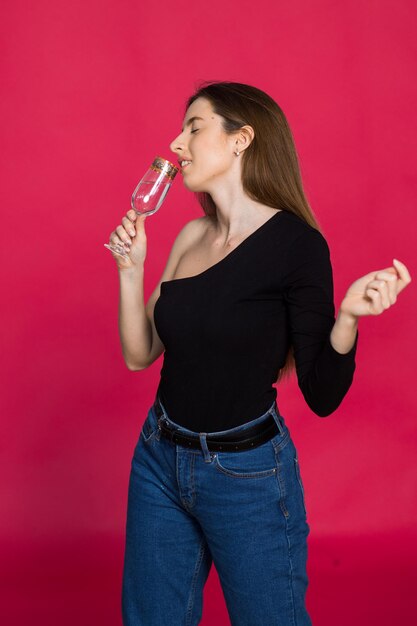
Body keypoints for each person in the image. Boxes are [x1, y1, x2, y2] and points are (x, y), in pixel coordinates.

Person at [106, 81, 411, 626]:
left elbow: (321, 394)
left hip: (244, 474)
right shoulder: (189, 236)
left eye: (194, 128)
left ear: (242, 139)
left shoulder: (297, 247)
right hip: (158, 458)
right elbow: (138, 354)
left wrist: (348, 318)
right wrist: (131, 271)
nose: (177, 144)